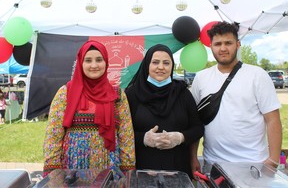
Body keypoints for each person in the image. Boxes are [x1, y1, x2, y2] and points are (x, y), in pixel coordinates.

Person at [190, 21, 282, 174]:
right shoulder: (201, 78)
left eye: (228, 43)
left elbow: (272, 119)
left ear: (238, 44)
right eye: (218, 44)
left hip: (253, 164)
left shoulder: (257, 75)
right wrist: (193, 157)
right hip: (213, 165)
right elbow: (195, 121)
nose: (223, 48)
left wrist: (273, 160)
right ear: (211, 46)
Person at [43, 40, 135, 179]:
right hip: (72, 171)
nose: (94, 65)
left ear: (106, 63)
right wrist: (54, 173)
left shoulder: (117, 95)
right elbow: (53, 136)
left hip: (109, 170)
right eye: (88, 60)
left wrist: (128, 173)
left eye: (99, 60)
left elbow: (126, 137)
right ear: (80, 63)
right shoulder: (65, 93)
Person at [125, 44, 204, 179]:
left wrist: (180, 137)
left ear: (172, 66)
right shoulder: (132, 94)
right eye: (155, 62)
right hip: (142, 170)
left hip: (178, 170)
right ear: (147, 65)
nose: (161, 67)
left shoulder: (182, 93)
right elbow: (122, 133)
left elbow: (197, 128)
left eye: (166, 63)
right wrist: (144, 138)